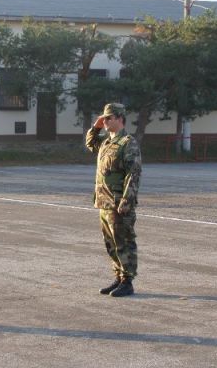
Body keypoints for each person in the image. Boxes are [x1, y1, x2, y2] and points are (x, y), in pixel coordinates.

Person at [85, 103, 142, 297]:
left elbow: (133, 174)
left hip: (119, 203)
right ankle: (118, 277)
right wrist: (96, 127)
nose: (105, 121)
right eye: (104, 118)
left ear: (119, 118)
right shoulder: (106, 142)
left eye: (108, 118)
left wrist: (126, 200)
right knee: (110, 243)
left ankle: (127, 281)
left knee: (124, 241)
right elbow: (90, 143)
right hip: (104, 201)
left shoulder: (127, 143)